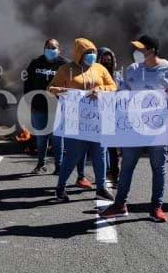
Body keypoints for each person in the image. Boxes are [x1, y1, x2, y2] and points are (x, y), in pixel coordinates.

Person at [98, 35, 168, 222]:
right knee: (127, 166)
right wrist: (102, 93)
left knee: (158, 168)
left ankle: (156, 207)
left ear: (152, 50)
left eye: (140, 48)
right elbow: (120, 93)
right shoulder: (132, 69)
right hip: (133, 128)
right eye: (135, 48)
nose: (136, 52)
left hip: (157, 128)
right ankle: (120, 204)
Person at [48, 38, 117, 202]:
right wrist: (60, 90)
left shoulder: (99, 68)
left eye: (93, 52)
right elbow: (50, 88)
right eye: (88, 53)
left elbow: (113, 86)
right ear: (79, 54)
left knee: (100, 155)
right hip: (75, 121)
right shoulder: (66, 69)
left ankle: (101, 188)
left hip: (97, 120)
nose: (92, 55)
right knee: (72, 156)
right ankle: (60, 187)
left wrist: (100, 89)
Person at [22, 39, 69, 175]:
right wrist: (28, 102)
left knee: (57, 139)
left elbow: (71, 85)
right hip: (39, 107)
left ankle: (59, 167)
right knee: (41, 138)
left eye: (53, 47)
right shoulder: (35, 63)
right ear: (44, 49)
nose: (50, 50)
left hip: (58, 108)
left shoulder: (65, 64)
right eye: (48, 47)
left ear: (58, 50)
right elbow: (28, 84)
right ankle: (40, 164)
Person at [97, 46, 122, 187]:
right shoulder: (93, 75)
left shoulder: (118, 76)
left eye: (109, 60)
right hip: (98, 116)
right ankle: (102, 175)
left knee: (113, 150)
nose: (107, 63)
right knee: (100, 150)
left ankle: (114, 176)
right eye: (104, 60)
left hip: (113, 116)